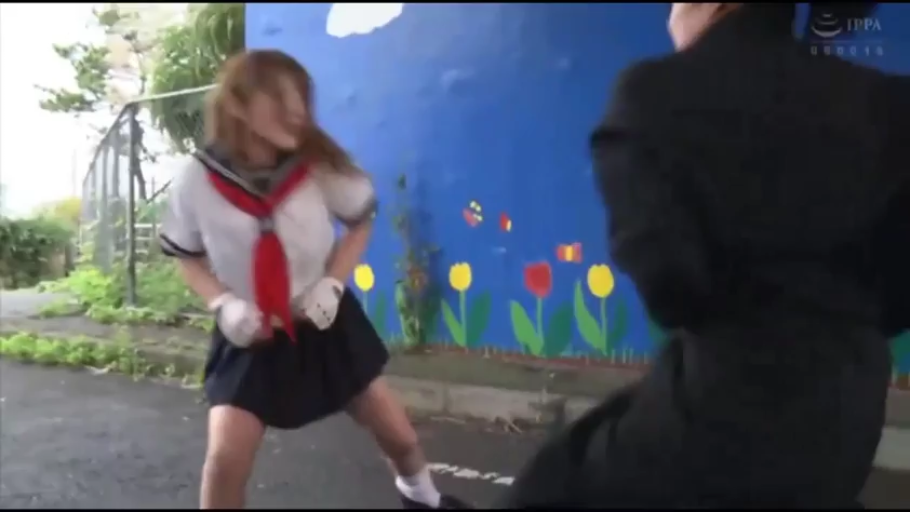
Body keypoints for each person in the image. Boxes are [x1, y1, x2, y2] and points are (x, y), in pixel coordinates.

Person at [499, 3, 909, 508]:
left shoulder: (652, 96)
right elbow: (899, 295)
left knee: (547, 488)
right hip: (846, 424)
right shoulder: (890, 104)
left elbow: (670, 291)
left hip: (719, 416)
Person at [158, 49, 469, 510]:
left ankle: (425, 502)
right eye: (279, 98)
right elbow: (186, 257)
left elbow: (360, 222)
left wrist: (332, 284)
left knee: (401, 440)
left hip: (325, 324)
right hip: (252, 335)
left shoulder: (316, 165)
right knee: (225, 461)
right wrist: (222, 304)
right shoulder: (198, 180)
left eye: (302, 98)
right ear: (238, 105)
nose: (297, 111)